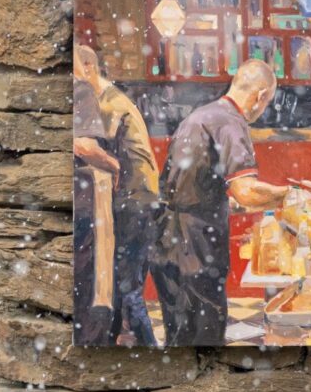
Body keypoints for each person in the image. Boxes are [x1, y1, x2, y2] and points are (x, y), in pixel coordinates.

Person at [154, 59, 289, 346]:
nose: (263, 109)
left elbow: (189, 184)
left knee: (179, 333)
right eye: (267, 103)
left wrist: (224, 200)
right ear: (261, 96)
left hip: (166, 239)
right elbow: (246, 192)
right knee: (206, 333)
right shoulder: (231, 122)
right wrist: (289, 195)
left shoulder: (201, 115)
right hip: (197, 243)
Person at [74, 45, 161, 346]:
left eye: (76, 71)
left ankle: (150, 348)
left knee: (126, 287)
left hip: (134, 203)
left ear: (88, 67)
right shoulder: (109, 98)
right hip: (136, 201)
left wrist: (110, 166)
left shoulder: (109, 103)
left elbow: (89, 149)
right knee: (120, 285)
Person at [72, 46, 119, 346]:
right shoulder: (81, 89)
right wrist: (113, 164)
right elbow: (84, 146)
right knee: (85, 281)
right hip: (80, 197)